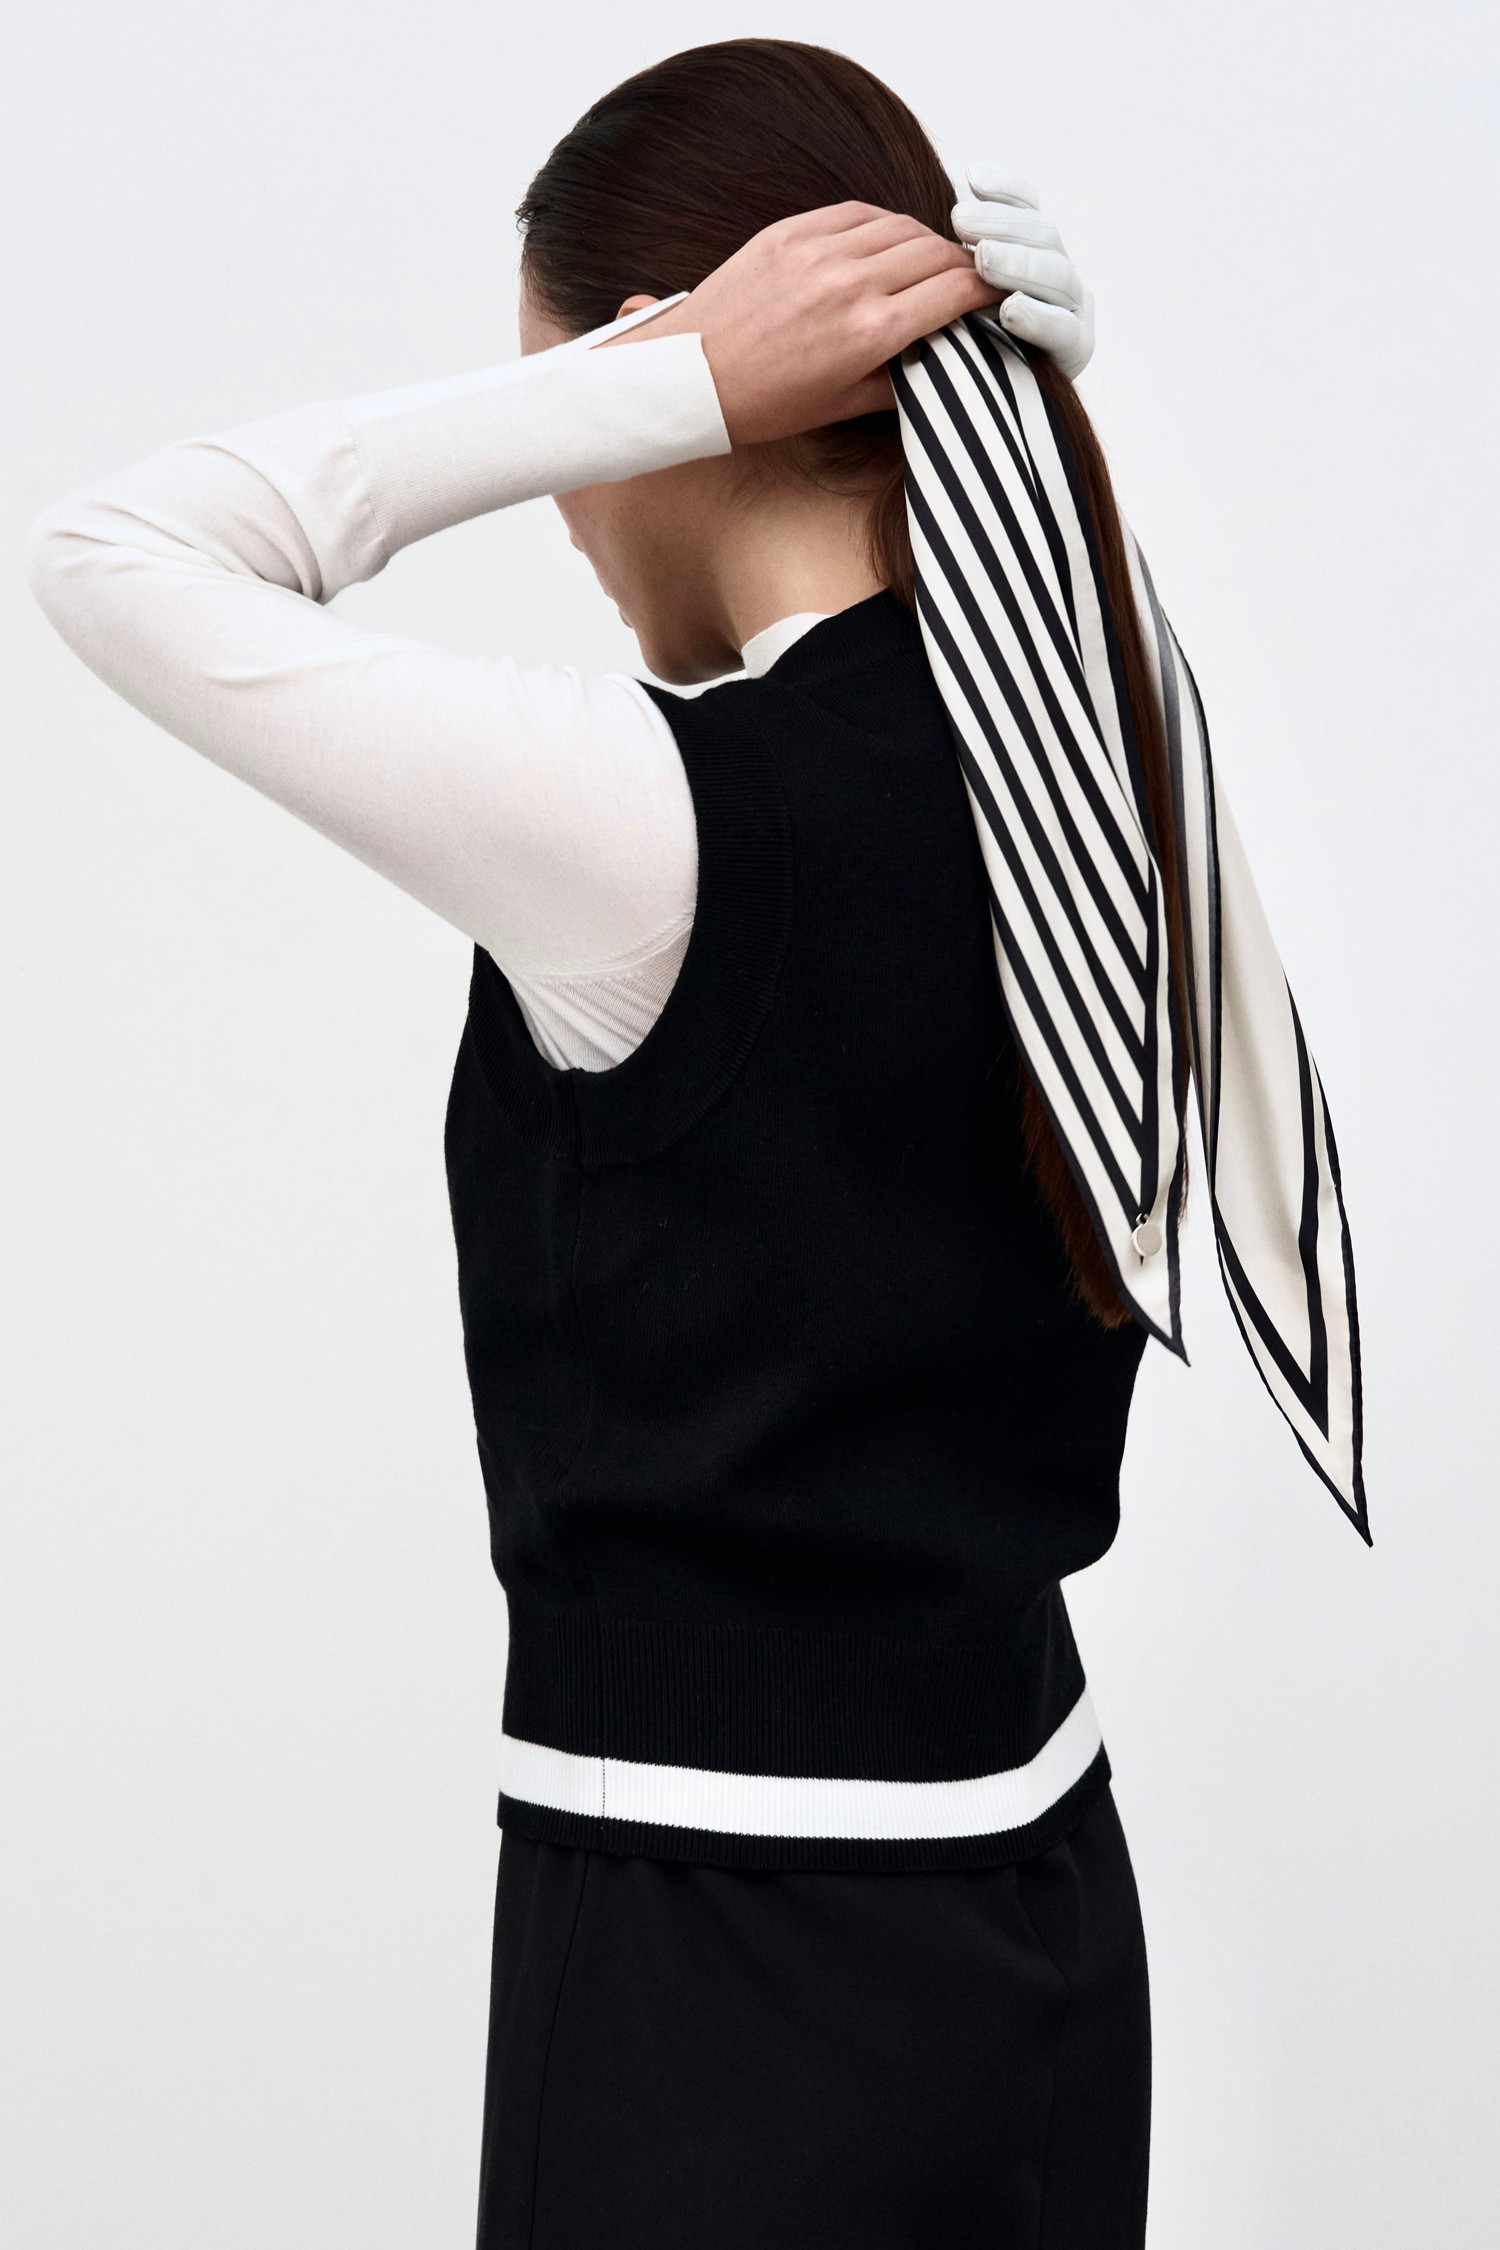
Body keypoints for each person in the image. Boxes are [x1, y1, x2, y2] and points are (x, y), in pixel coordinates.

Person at [28, 35, 1338, 2250]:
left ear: (678, 374)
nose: (567, 500)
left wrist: (642, 385)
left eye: (574, 404)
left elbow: (116, 550)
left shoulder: (662, 827)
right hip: (1038, 1917)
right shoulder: (1116, 750)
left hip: (711, 1968)